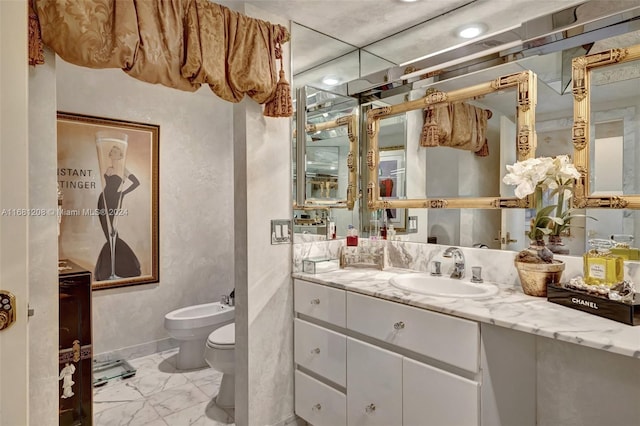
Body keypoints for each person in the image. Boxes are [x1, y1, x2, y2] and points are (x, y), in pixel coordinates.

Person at [94, 144, 141, 280]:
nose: (113, 153)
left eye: (116, 152)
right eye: (112, 151)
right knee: (107, 232)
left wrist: (123, 194)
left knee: (112, 232)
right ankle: (112, 269)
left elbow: (137, 182)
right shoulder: (109, 168)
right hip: (102, 199)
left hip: (114, 200)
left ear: (121, 155)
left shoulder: (123, 168)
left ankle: (121, 268)